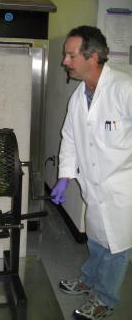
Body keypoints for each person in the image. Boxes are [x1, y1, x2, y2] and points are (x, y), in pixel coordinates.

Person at [51, 25, 132, 320]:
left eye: (71, 55)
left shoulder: (125, 89)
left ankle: (105, 298)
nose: (65, 61)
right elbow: (70, 137)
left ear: (93, 57)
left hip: (124, 189)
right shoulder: (78, 96)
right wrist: (64, 176)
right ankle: (89, 279)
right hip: (94, 187)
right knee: (97, 238)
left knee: (117, 248)